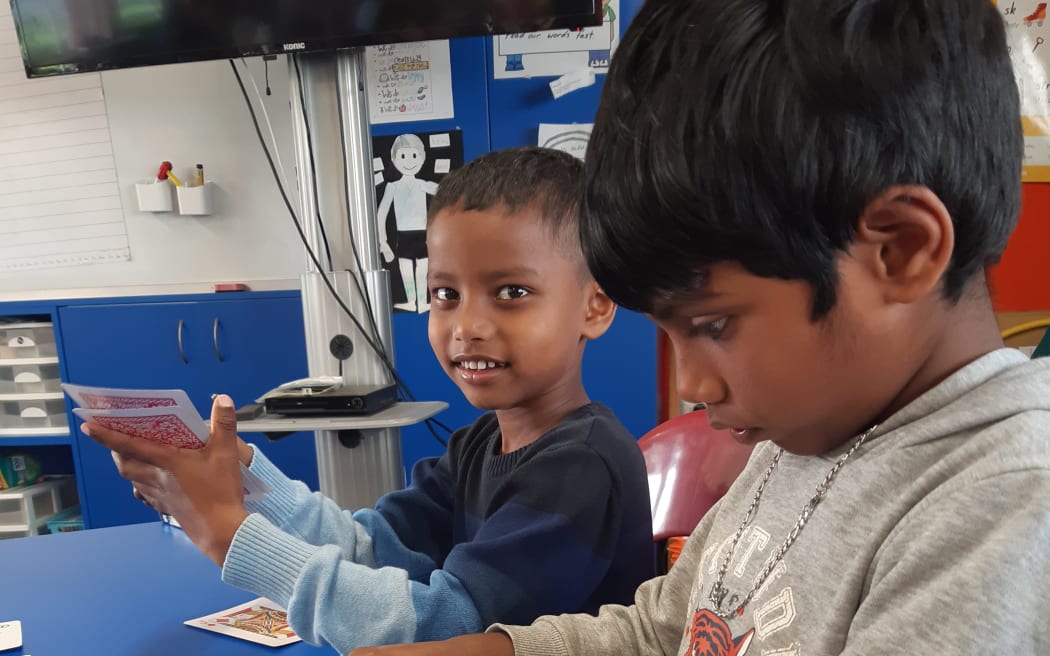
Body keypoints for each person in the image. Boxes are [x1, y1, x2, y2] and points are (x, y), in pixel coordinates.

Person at [347, 0, 1050, 654]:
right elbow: (661, 630)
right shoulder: (802, 437)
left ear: (900, 250)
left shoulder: (1007, 504)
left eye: (714, 323)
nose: (692, 384)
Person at [83, 147, 655, 654]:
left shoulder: (582, 466)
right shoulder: (478, 443)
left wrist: (227, 533)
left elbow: (450, 630)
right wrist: (247, 476)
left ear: (595, 307)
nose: (467, 326)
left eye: (511, 292)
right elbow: (373, 546)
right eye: (445, 294)